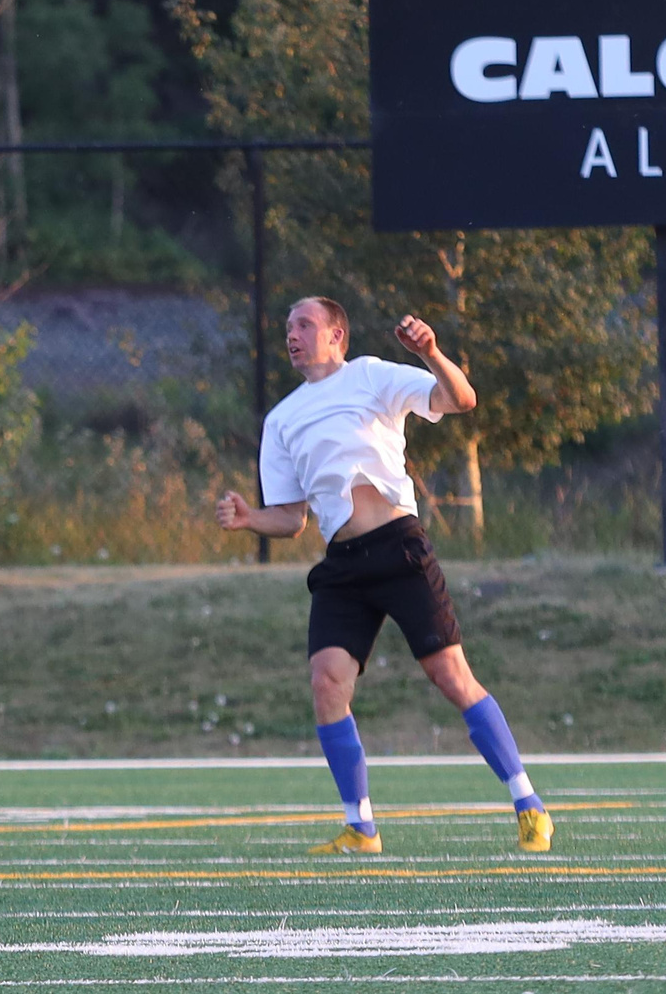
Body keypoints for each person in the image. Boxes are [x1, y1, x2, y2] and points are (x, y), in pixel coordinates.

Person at [215, 297, 551, 855]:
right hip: (343, 567)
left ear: (337, 334)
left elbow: (461, 399)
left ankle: (528, 805)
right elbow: (292, 519)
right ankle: (361, 827)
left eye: (304, 324)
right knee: (326, 683)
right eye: (287, 325)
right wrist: (250, 519)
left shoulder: (370, 375)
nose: (292, 334)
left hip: (399, 550)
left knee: (452, 676)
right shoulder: (281, 419)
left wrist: (431, 352)